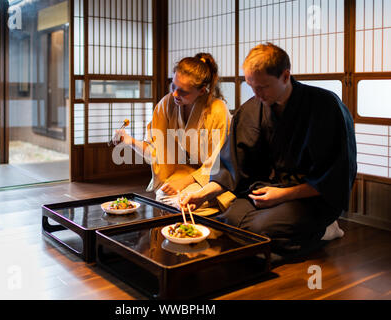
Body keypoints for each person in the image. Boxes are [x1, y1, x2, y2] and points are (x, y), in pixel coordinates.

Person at [180, 43, 357, 256]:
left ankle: (324, 230)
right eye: (251, 86)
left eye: (263, 87)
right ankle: (276, 241)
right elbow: (235, 164)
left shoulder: (324, 106)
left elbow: (333, 176)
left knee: (258, 229)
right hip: (267, 192)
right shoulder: (252, 108)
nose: (257, 94)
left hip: (310, 197)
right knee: (226, 220)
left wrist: (283, 195)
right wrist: (201, 195)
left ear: (285, 76)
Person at [113, 53, 232, 216]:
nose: (175, 94)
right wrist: (129, 141)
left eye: (183, 91)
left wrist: (184, 182)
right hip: (187, 170)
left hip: (214, 176)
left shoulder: (218, 110)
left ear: (202, 91)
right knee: (165, 194)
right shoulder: (167, 104)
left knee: (187, 200)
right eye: (173, 87)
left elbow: (217, 162)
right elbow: (156, 152)